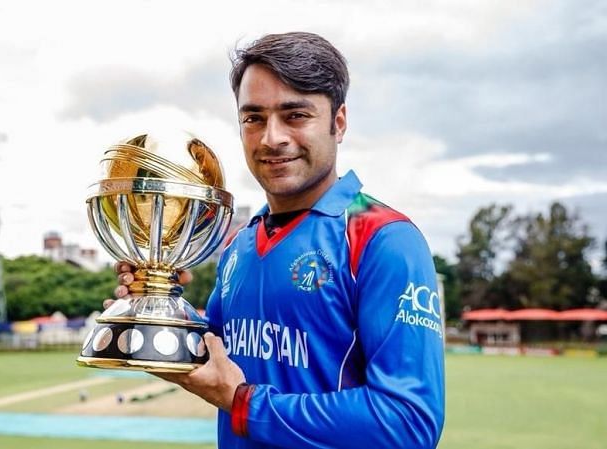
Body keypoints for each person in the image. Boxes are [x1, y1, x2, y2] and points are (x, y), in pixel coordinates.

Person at [108, 32, 445, 449]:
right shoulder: (238, 247)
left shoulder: (383, 240)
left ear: (338, 123)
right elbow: (215, 358)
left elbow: (408, 425)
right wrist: (153, 306)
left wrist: (244, 403)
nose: (272, 138)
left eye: (295, 115)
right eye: (253, 118)